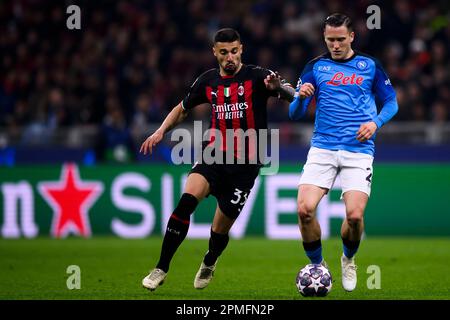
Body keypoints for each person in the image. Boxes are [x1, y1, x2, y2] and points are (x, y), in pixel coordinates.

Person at [140, 28, 294, 291]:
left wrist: (280, 87)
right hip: (213, 156)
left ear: (241, 49)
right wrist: (160, 131)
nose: (230, 57)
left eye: (234, 51)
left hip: (245, 168)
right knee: (186, 204)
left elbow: (293, 93)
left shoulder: (258, 76)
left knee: (219, 231)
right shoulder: (208, 81)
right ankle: (161, 267)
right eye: (224, 53)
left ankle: (210, 260)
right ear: (215, 52)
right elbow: (182, 108)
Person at [289, 13, 398, 292]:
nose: (335, 45)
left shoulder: (369, 65)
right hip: (322, 148)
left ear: (351, 37)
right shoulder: (315, 66)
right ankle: (318, 265)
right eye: (329, 40)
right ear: (324, 38)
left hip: (358, 151)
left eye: (339, 39)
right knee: (304, 209)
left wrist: (375, 123)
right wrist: (301, 98)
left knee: (354, 217)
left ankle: (348, 259)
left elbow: (391, 102)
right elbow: (294, 113)